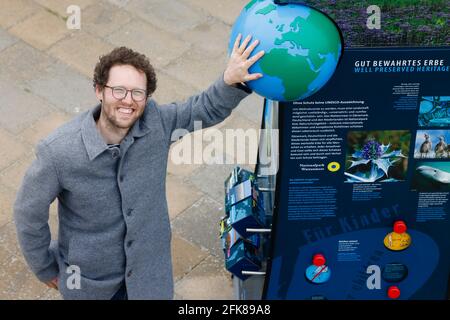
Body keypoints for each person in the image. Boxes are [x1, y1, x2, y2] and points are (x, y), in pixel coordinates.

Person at [13, 34, 265, 300]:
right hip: (88, 286)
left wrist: (230, 80)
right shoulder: (58, 151)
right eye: (118, 90)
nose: (128, 101)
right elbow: (28, 213)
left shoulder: (156, 122)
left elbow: (201, 109)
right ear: (99, 90)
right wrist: (45, 268)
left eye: (138, 93)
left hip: (150, 280)